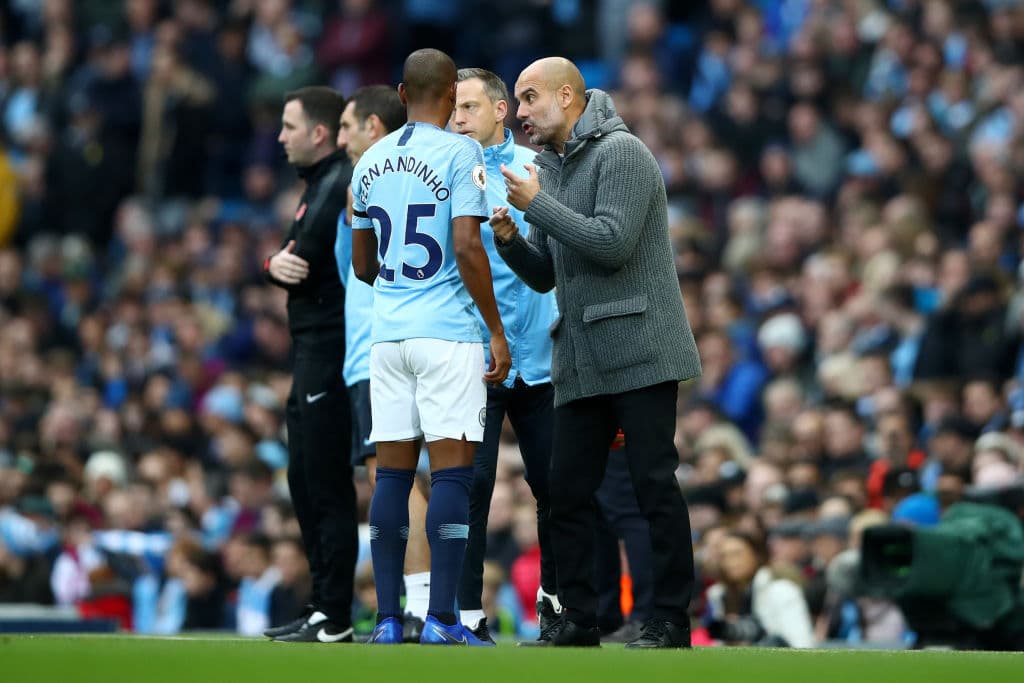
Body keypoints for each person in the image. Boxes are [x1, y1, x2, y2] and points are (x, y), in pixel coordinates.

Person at [493, 57, 701, 648]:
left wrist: (536, 205)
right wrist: (511, 241)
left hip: (640, 350)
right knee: (566, 491)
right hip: (581, 357)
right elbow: (544, 274)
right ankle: (582, 616)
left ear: (567, 95)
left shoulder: (623, 153)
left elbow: (610, 243)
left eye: (530, 98)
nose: (522, 112)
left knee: (651, 485)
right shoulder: (548, 169)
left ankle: (669, 619)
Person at [348, 49, 511, 646]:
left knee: (390, 477)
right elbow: (468, 247)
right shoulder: (459, 151)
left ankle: (389, 619)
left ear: (400, 91)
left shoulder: (369, 161)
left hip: (386, 335)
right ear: (449, 95)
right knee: (451, 476)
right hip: (447, 333)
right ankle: (442, 617)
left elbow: (363, 263)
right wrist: (495, 328)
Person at [450, 67, 559, 645]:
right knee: (471, 488)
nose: (457, 120)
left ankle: (556, 606)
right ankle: (467, 614)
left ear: (499, 110)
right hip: (476, 359)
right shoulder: (444, 175)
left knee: (554, 489)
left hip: (541, 356)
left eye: (467, 108)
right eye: (451, 110)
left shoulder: (540, 170)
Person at [334, 84, 433, 642]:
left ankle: (417, 606)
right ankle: (418, 603)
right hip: (380, 349)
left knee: (394, 479)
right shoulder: (402, 176)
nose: (341, 137)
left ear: (375, 127)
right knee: (401, 478)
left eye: (348, 126)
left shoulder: (369, 181)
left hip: (378, 349)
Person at [261, 86, 357, 643]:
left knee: (323, 479)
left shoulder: (338, 178)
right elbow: (283, 259)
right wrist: (273, 261)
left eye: (289, 126)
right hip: (313, 346)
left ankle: (334, 612)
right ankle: (323, 604)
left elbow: (300, 255)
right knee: (305, 475)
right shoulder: (319, 184)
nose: (280, 137)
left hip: (331, 344)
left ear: (318, 133)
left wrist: (276, 261)